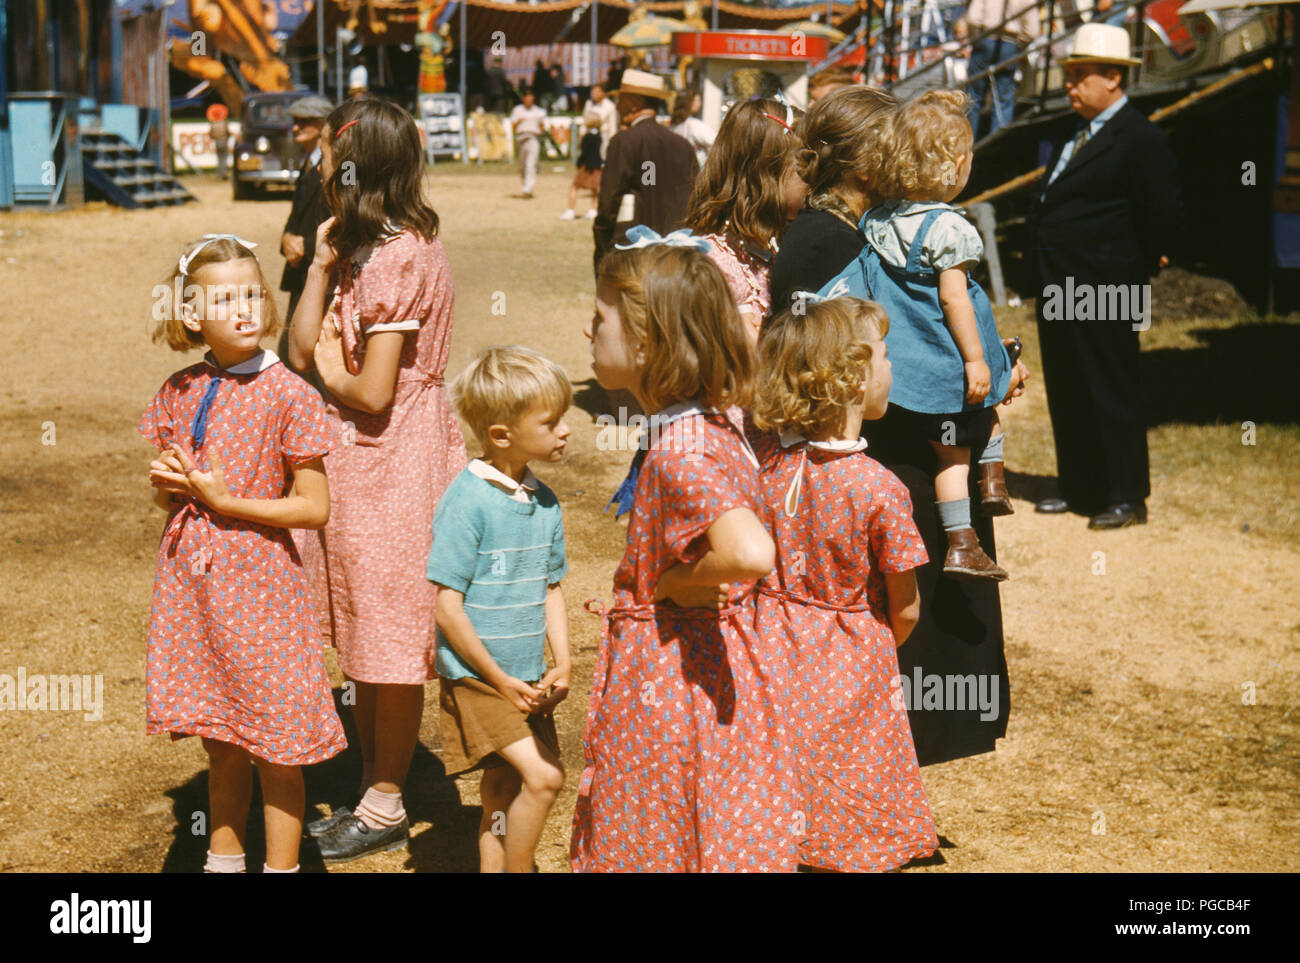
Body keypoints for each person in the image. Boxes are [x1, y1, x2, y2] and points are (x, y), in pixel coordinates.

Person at [770, 87, 1029, 768]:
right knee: (905, 632)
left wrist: (993, 362)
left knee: (935, 628)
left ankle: (904, 780)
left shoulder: (880, 227)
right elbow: (826, 362)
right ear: (863, 163)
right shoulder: (827, 242)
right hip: (892, 463)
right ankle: (882, 781)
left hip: (923, 447)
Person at [571, 234, 798, 872]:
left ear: (646, 342)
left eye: (600, 318)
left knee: (658, 831)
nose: (588, 328)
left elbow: (750, 550)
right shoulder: (712, 423)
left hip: (671, 683)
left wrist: (674, 582)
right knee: (710, 824)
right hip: (718, 670)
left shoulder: (681, 450)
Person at [288, 98, 468, 863]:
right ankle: (372, 781)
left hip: (395, 458)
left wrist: (333, 365)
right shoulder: (360, 249)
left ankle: (387, 798)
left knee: (391, 629)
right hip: (362, 461)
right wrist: (321, 267)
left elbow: (369, 391)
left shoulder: (399, 257)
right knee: (367, 625)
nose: (324, 168)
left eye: (334, 157)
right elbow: (297, 351)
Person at [141, 234, 346, 874]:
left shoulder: (291, 393)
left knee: (276, 747)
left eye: (252, 292)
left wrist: (229, 502)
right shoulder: (179, 388)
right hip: (193, 585)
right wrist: (171, 486)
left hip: (260, 586)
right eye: (224, 297)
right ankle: (223, 860)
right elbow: (173, 499)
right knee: (222, 740)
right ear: (191, 315)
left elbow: (314, 507)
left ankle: (281, 869)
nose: (244, 307)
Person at [751, 295, 938, 873]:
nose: (892, 367)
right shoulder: (880, 488)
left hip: (767, 644)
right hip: (852, 655)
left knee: (781, 776)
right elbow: (905, 609)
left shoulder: (766, 466)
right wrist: (873, 652)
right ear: (855, 376)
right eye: (884, 354)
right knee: (852, 783)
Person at [824, 89, 1013, 580]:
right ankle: (965, 536)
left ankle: (980, 505)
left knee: (949, 444)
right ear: (955, 165)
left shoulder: (879, 221)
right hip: (949, 358)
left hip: (910, 365)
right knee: (959, 446)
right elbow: (953, 298)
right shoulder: (950, 228)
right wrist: (975, 359)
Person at [1028, 23, 1183, 529]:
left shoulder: (1140, 138)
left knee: (1110, 384)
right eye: (1068, 75)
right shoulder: (1077, 134)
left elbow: (1163, 214)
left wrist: (1137, 267)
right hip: (1061, 282)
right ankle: (1080, 485)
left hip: (1108, 285)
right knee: (1070, 381)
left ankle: (1125, 493)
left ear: (1114, 78)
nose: (1070, 85)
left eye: (1080, 76)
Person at [429, 346, 572, 873]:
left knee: (502, 790)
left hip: (528, 676)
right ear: (501, 435)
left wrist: (563, 661)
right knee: (546, 777)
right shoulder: (467, 502)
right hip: (478, 678)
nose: (565, 430)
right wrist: (497, 679)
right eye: (550, 421)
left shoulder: (545, 501)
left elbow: (549, 587)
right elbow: (448, 609)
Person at [682, 99, 806, 343]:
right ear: (768, 172)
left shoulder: (773, 247)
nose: (814, 177)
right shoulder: (713, 264)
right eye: (804, 164)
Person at [769, 86, 898, 314]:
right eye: (900, 152)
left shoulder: (830, 230)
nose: (908, 164)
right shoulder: (832, 245)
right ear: (864, 165)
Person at [592, 69, 698, 271]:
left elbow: (608, 203)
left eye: (621, 101)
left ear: (634, 104)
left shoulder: (624, 142)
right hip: (677, 256)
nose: (617, 108)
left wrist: (602, 245)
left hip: (635, 254)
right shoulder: (683, 146)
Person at [278, 94, 333, 367]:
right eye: (295, 122)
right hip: (300, 269)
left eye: (303, 122)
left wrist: (307, 246)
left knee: (307, 355)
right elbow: (297, 214)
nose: (295, 128)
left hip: (322, 273)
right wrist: (286, 239)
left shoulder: (337, 164)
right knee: (290, 347)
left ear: (323, 125)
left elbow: (342, 218)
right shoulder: (309, 161)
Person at [964, 0, 1040, 138]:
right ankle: (997, 144)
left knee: (974, 97)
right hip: (1010, 43)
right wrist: (1019, 45)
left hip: (985, 38)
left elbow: (973, 18)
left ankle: (966, 146)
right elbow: (1032, 30)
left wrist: (977, 38)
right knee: (1003, 99)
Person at [560, 110, 604, 220]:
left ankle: (570, 210)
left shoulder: (587, 136)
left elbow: (584, 152)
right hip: (597, 165)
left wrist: (579, 163)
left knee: (574, 187)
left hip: (586, 166)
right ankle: (594, 210)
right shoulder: (599, 136)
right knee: (595, 189)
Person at [510, 88, 547, 199]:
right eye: (527, 97)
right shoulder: (517, 110)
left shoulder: (539, 112)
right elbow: (513, 125)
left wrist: (541, 128)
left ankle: (528, 188)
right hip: (521, 137)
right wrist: (519, 121)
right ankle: (526, 185)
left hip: (533, 138)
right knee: (522, 166)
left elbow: (542, 126)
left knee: (530, 164)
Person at [670, 91, 715, 168]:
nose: (700, 104)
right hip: (695, 169)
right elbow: (716, 141)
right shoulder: (695, 125)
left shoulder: (673, 126)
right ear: (690, 103)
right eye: (697, 100)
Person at [586, 83, 619, 160]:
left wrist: (612, 141)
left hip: (604, 137)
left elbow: (612, 125)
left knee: (604, 158)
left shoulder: (610, 106)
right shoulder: (589, 104)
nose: (594, 94)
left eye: (597, 92)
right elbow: (585, 120)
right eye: (593, 92)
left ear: (603, 93)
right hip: (590, 137)